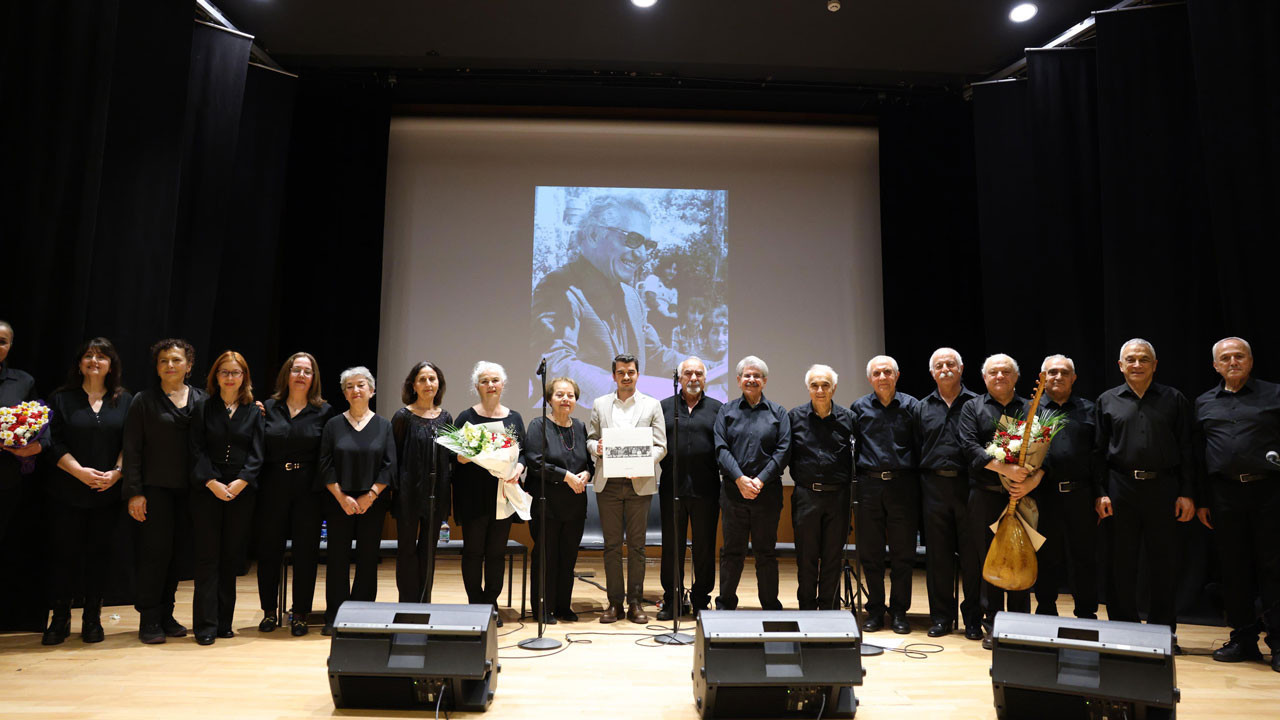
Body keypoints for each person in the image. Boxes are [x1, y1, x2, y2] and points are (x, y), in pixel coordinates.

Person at [532, 195, 678, 402]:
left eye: (648, 244)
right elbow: (553, 363)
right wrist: (624, 390)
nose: (642, 254)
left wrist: (704, 368)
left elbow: (654, 353)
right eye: (633, 240)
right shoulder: (560, 288)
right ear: (593, 235)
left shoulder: (631, 297)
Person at [1095, 339, 1195, 640]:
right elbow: (1097, 452)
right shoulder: (1107, 400)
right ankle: (1124, 630)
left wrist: (1187, 492)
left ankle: (1162, 632)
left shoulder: (1174, 399)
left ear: (1155, 364)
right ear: (1120, 365)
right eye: (1131, 359)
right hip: (1120, 486)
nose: (1137, 365)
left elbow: (1188, 448)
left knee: (1163, 563)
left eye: (1143, 359)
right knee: (1120, 563)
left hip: (1164, 487)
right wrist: (1100, 492)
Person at [1194, 337, 1280, 671]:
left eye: (1239, 356)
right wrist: (1202, 500)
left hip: (1270, 493)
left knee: (1274, 569)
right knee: (1234, 570)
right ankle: (1244, 639)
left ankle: (1278, 642)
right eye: (1225, 358)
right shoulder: (1203, 402)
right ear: (1216, 365)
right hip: (1224, 495)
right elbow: (1196, 455)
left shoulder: (1274, 395)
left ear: (1250, 360)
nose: (1232, 362)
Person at [42, 338, 132, 645]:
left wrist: (117, 473)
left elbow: (131, 443)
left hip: (107, 494)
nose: (94, 361)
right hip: (67, 492)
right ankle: (60, 619)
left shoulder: (124, 400)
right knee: (63, 557)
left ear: (111, 365)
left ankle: (92, 618)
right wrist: (79, 472)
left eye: (102, 356)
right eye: (89, 356)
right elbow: (52, 442)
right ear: (79, 363)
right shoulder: (61, 398)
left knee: (99, 557)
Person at [123, 339, 207, 644]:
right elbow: (132, 448)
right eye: (163, 361)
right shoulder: (143, 401)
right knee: (154, 555)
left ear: (189, 365)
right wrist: (135, 491)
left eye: (175, 360)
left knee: (178, 556)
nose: (169, 366)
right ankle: (149, 617)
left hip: (192, 493)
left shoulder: (202, 400)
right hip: (154, 490)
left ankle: (167, 613)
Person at [958, 353, 1041, 649]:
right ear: (984, 378)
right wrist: (1005, 469)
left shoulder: (1032, 408)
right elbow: (969, 447)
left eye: (1006, 371)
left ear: (1016, 377)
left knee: (1020, 557)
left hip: (1022, 496)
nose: (1000, 376)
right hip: (985, 496)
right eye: (993, 372)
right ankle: (992, 624)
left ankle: (1020, 624)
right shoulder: (972, 407)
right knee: (990, 560)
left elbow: (1048, 454)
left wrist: (1030, 480)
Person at [254, 352, 333, 636]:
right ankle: (268, 612)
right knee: (269, 551)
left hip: (308, 489)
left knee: (306, 553)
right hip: (273, 485)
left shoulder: (324, 411)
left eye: (307, 372)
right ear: (286, 374)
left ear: (314, 379)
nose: (301, 375)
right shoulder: (268, 408)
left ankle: (300, 613)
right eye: (296, 370)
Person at [188, 350, 264, 645]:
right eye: (224, 372)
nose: (230, 378)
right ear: (215, 376)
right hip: (208, 491)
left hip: (241, 492)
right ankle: (205, 625)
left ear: (244, 377)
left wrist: (242, 481)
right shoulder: (203, 407)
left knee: (231, 558)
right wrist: (212, 482)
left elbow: (258, 452)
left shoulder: (254, 410)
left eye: (236, 373)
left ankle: (224, 622)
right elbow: (196, 449)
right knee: (207, 558)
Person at [588, 353, 667, 623]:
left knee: (637, 546)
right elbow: (591, 439)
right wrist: (595, 448)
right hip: (608, 483)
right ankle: (614, 604)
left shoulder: (652, 405)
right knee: (611, 546)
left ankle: (635, 603)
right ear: (614, 376)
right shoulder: (599, 404)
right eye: (621, 372)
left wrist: (642, 463)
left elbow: (661, 446)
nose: (626, 376)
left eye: (631, 372)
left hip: (639, 483)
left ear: (637, 374)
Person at [319, 366, 396, 634]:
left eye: (361, 385)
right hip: (338, 501)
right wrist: (341, 497)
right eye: (349, 386)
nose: (356, 390)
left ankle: (363, 615)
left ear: (372, 390)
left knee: (367, 558)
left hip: (372, 503)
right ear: (344, 393)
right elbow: (325, 464)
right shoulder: (333, 424)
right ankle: (335, 616)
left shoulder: (384, 425)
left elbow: (389, 465)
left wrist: (370, 495)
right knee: (337, 559)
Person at [913, 347, 981, 639]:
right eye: (939, 365)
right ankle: (941, 617)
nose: (945, 369)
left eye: (950, 364)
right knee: (937, 558)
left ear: (961, 368)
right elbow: (916, 447)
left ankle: (975, 619)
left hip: (969, 486)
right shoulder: (921, 407)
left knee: (972, 557)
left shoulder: (977, 404)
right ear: (932, 373)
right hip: (934, 487)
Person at [451, 361, 527, 626]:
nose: (490, 385)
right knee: (473, 552)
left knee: (496, 552)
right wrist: (476, 454)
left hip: (502, 495)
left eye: (495, 380)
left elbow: (523, 452)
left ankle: (491, 602)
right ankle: (476, 603)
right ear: (476, 386)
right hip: (472, 495)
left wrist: (518, 466)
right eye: (485, 381)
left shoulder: (513, 418)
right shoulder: (465, 418)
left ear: (503, 384)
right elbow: (456, 458)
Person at [714, 355, 790, 610]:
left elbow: (783, 451)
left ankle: (769, 603)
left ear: (765, 381)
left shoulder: (779, 413)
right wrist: (740, 479)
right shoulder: (726, 411)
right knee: (731, 551)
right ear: (738, 380)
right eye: (747, 375)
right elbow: (721, 448)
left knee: (765, 552)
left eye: (757, 376)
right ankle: (725, 602)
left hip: (767, 493)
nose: (752, 379)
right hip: (733, 492)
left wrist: (758, 480)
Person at [852, 355, 919, 634]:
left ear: (897, 375)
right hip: (869, 487)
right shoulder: (859, 408)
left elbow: (920, 444)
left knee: (903, 554)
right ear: (870, 378)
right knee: (871, 554)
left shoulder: (912, 406)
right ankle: (876, 611)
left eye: (887, 372)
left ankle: (900, 611)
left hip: (903, 486)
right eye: (877, 373)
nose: (882, 377)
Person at [1033, 354, 1101, 621]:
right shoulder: (1030, 410)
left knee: (1084, 559)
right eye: (1052, 372)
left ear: (1074, 378)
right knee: (1045, 557)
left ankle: (1086, 614)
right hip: (1043, 497)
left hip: (1081, 495)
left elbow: (1099, 455)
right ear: (1043, 378)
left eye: (1064, 372)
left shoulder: (1090, 409)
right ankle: (1045, 611)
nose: (1058, 376)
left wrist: (1100, 494)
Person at [658, 356, 723, 619]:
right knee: (671, 546)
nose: (693, 378)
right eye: (688, 373)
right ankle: (672, 599)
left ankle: (700, 600)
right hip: (671, 488)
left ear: (705, 379)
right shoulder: (663, 407)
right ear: (679, 378)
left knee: (704, 547)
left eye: (698, 374)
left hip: (707, 489)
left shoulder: (719, 409)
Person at [525, 377, 592, 623]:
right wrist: (565, 476)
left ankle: (563, 606)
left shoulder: (581, 427)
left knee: (568, 557)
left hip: (575, 504)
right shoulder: (538, 425)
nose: (566, 399)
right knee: (546, 557)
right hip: (547, 503)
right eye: (560, 395)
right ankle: (543, 608)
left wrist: (587, 473)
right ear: (549, 399)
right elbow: (534, 461)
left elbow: (589, 463)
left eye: (571, 395)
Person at [788, 364, 854, 610]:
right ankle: (806, 608)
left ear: (834, 388)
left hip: (838, 497)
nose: (820, 390)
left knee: (832, 558)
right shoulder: (794, 417)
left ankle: (829, 608)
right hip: (806, 495)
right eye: (815, 385)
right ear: (808, 388)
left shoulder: (849, 419)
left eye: (825, 385)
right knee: (806, 558)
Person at [391, 361, 453, 604]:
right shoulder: (402, 416)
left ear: (439, 384)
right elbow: (394, 456)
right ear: (413, 385)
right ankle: (407, 602)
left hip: (436, 493)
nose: (428, 383)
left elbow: (450, 458)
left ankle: (424, 600)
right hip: (408, 493)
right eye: (423, 379)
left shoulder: (446, 417)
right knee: (406, 549)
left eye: (433, 379)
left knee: (429, 550)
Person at [0, 320, 40, 542]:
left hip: (5, 477)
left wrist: (37, 445)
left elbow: (40, 424)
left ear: (10, 345)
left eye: (2, 342)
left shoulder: (23, 381)